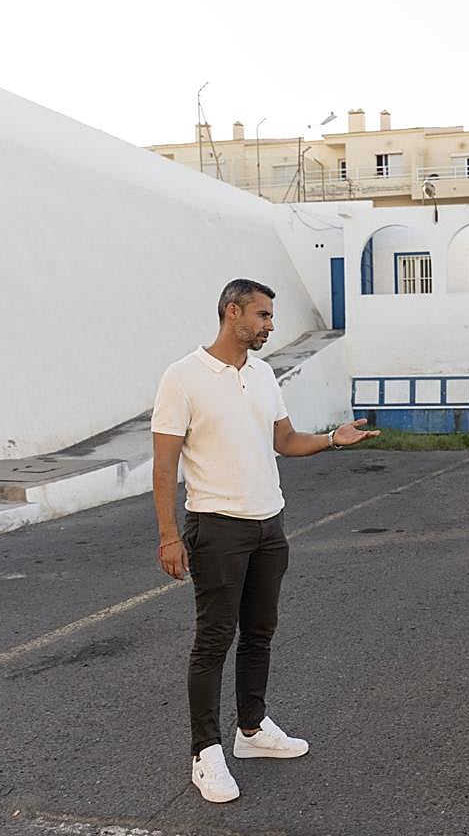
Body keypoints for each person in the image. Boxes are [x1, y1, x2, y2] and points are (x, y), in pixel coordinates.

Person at [151, 278, 378, 803]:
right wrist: (168, 537)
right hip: (216, 528)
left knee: (260, 633)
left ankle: (251, 731)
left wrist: (331, 440)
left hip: (268, 524)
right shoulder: (182, 377)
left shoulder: (261, 373)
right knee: (213, 640)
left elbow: (284, 440)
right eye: (262, 315)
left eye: (270, 316)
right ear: (233, 313)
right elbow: (164, 467)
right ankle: (205, 754)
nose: (270, 325)